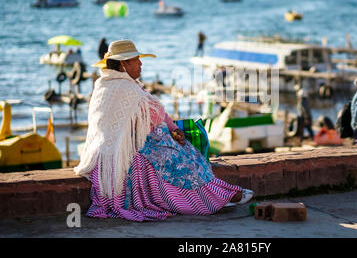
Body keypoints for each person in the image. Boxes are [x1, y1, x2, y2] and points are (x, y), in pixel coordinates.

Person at [74, 40, 253, 222]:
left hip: (115, 149)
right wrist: (170, 131)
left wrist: (173, 128)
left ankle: (216, 195)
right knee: (171, 155)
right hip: (117, 154)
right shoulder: (124, 87)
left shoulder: (106, 84)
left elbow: (153, 114)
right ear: (123, 64)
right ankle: (215, 197)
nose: (141, 64)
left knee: (172, 146)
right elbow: (154, 114)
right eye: (136, 60)